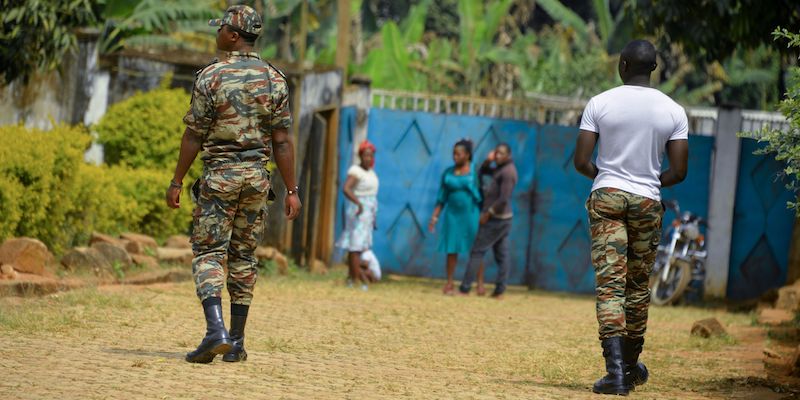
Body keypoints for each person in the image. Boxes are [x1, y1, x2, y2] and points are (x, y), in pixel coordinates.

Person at [165, 5, 301, 364]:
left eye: (221, 28)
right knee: (243, 256)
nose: (217, 33)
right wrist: (292, 190)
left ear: (232, 35)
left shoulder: (210, 76)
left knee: (209, 253)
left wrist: (177, 180)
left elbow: (194, 135)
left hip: (220, 178)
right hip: (258, 180)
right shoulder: (275, 79)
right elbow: (282, 140)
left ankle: (215, 331)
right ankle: (236, 343)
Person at [573, 39, 688, 395]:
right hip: (647, 201)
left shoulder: (600, 103)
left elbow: (580, 161)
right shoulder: (674, 111)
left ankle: (615, 374)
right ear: (654, 68)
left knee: (611, 284)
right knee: (637, 287)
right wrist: (647, 181)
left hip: (606, 195)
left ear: (622, 65)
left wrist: (609, 180)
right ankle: (629, 367)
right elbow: (679, 170)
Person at [458, 143, 517, 298]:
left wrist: (488, 214)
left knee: (477, 252)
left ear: (508, 155)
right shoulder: (499, 168)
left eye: (501, 153)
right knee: (502, 255)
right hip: (501, 219)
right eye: (496, 152)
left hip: (496, 219)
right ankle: (499, 291)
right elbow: (482, 172)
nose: (497, 156)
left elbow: (504, 199)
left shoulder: (508, 172)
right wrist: (487, 161)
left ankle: (464, 288)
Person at [428, 139, 483, 295]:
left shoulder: (475, 171)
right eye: (453, 154)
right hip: (452, 215)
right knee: (451, 248)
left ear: (467, 155)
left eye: (458, 154)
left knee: (475, 250)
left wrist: (484, 213)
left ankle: (479, 284)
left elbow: (483, 192)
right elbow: (441, 197)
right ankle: (450, 283)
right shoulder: (448, 173)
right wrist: (434, 217)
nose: (455, 157)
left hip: (471, 214)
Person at [337, 140, 379, 291]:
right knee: (355, 246)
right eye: (366, 155)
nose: (368, 158)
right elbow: (346, 188)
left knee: (361, 246)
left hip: (368, 214)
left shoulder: (371, 172)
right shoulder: (356, 170)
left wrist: (373, 218)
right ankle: (355, 280)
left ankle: (352, 277)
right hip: (358, 212)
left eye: (371, 155)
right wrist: (359, 204)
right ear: (361, 156)